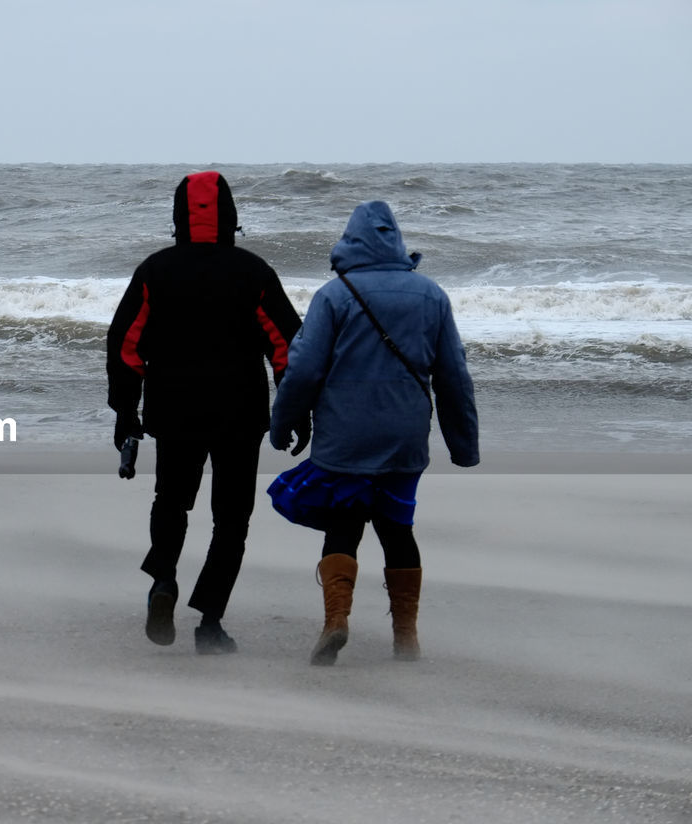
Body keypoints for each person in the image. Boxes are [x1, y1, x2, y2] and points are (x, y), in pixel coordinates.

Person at [268, 200, 480, 665]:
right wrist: (463, 445)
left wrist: (281, 422)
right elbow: (453, 376)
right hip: (405, 436)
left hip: (344, 436)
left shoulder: (334, 295)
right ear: (397, 242)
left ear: (350, 243)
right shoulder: (430, 295)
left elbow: (302, 369)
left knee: (343, 525)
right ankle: (406, 637)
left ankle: (335, 622)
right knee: (397, 527)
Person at [107, 171, 302, 654]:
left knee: (171, 503)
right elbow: (288, 347)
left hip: (174, 410)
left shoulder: (155, 271)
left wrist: (125, 411)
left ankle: (163, 581)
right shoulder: (254, 272)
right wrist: (296, 409)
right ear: (231, 218)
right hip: (241, 413)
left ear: (177, 218)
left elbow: (125, 345)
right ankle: (210, 623)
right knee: (231, 520)